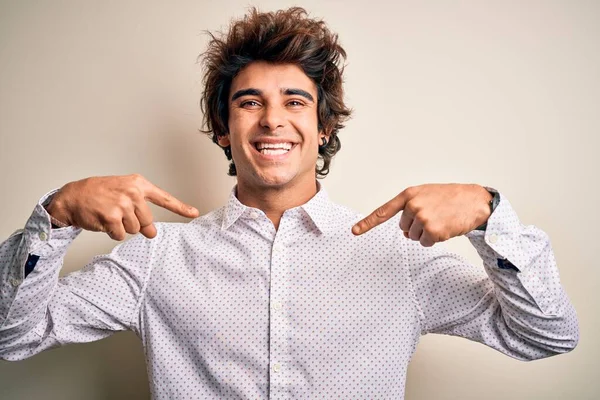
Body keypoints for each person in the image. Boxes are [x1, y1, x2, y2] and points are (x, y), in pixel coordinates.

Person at [0, 7, 578, 399]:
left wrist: (489, 214)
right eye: (249, 102)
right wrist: (55, 214)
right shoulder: (156, 258)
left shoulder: (399, 255)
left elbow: (546, 335)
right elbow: (13, 336)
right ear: (223, 130)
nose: (273, 119)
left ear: (323, 127)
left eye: (295, 102)